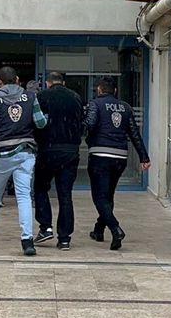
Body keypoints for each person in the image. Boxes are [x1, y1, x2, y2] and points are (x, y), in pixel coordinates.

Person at [0, 66, 47, 256]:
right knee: (24, 196)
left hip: (1, 154)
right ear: (17, 79)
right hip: (25, 152)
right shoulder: (30, 97)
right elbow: (40, 123)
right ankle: (27, 240)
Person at [84, 76, 150, 250]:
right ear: (115, 91)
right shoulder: (125, 107)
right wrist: (144, 157)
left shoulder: (95, 104)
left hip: (100, 155)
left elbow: (89, 124)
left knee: (99, 197)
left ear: (99, 90)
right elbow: (134, 133)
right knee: (108, 196)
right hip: (120, 157)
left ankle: (115, 229)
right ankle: (98, 230)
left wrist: (87, 140)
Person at [33, 72, 84, 250]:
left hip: (48, 149)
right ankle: (64, 238)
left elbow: (37, 123)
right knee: (65, 195)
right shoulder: (75, 97)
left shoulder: (42, 96)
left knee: (40, 188)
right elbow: (81, 122)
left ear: (48, 83)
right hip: (70, 151)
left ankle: (45, 227)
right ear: (63, 82)